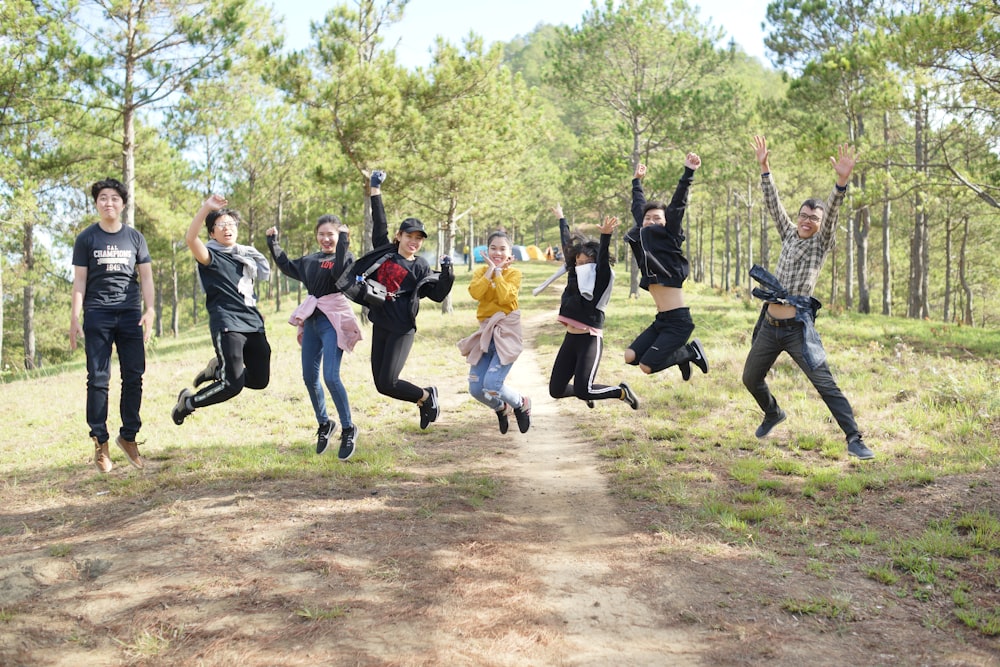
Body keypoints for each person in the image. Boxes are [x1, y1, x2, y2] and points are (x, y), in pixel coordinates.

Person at [742, 135, 874, 460]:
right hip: (770, 327)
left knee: (825, 384)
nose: (807, 220)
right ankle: (773, 412)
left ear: (819, 224)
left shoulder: (820, 242)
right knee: (750, 378)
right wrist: (764, 167)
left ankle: (854, 437)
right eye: (804, 215)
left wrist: (840, 184)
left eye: (813, 218)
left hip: (797, 331)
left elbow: (831, 217)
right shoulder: (789, 232)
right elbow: (773, 203)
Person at [347, 170, 454, 429]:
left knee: (390, 382)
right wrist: (375, 188)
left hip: (402, 329)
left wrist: (448, 274)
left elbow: (437, 294)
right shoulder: (385, 251)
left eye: (418, 239)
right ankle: (423, 398)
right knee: (381, 385)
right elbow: (379, 221)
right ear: (399, 236)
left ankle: (427, 397)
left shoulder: (420, 267)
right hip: (381, 324)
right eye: (409, 236)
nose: (413, 242)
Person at [70, 178, 155, 473]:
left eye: (114, 198)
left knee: (134, 376)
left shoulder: (135, 238)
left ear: (122, 204)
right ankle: (100, 442)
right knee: (98, 379)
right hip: (97, 314)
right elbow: (80, 281)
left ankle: (128, 436)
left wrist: (151, 309)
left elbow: (145, 277)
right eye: (103, 198)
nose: (109, 203)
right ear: (97, 203)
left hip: (130, 313)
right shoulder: (86, 239)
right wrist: (75, 317)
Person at [171, 194, 272, 427]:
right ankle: (188, 402)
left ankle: (217, 369)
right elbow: (190, 238)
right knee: (232, 386)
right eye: (221, 226)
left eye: (231, 225)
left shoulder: (244, 257)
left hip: (253, 322)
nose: (227, 229)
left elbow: (246, 290)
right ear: (212, 233)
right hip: (227, 324)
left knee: (259, 380)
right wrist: (207, 207)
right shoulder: (210, 257)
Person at [266, 215, 362, 460]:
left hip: (333, 320)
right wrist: (273, 242)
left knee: (331, 376)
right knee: (309, 376)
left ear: (339, 236)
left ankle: (349, 428)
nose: (326, 238)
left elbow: (341, 276)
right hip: (312, 321)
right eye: (322, 234)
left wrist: (343, 244)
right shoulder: (310, 259)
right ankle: (324, 423)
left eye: (331, 234)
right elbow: (287, 265)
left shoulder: (346, 256)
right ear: (316, 236)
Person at [623, 155, 709, 381]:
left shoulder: (669, 236)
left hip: (678, 321)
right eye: (648, 219)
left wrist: (688, 172)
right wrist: (636, 182)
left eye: (657, 219)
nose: (651, 221)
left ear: (666, 222)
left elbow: (678, 203)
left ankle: (689, 352)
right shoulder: (643, 238)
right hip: (661, 319)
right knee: (630, 356)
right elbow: (638, 207)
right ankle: (681, 356)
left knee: (646, 366)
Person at [548, 205, 639, 410]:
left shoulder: (600, 280)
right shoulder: (575, 273)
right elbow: (567, 246)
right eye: (579, 262)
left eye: (588, 262)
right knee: (556, 390)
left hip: (589, 339)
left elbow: (603, 263)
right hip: (570, 339)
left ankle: (621, 392)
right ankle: (589, 393)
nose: (582, 266)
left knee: (583, 390)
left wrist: (605, 236)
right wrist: (562, 219)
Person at [457, 231, 531, 434]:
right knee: (475, 389)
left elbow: (506, 297)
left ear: (510, 252)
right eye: (493, 248)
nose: (497, 252)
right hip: (485, 332)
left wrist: (498, 273)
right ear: (486, 250)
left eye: (503, 248)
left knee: (492, 384)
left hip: (506, 333)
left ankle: (521, 403)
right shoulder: (481, 271)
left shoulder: (514, 274)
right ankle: (501, 407)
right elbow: (475, 293)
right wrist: (490, 270)